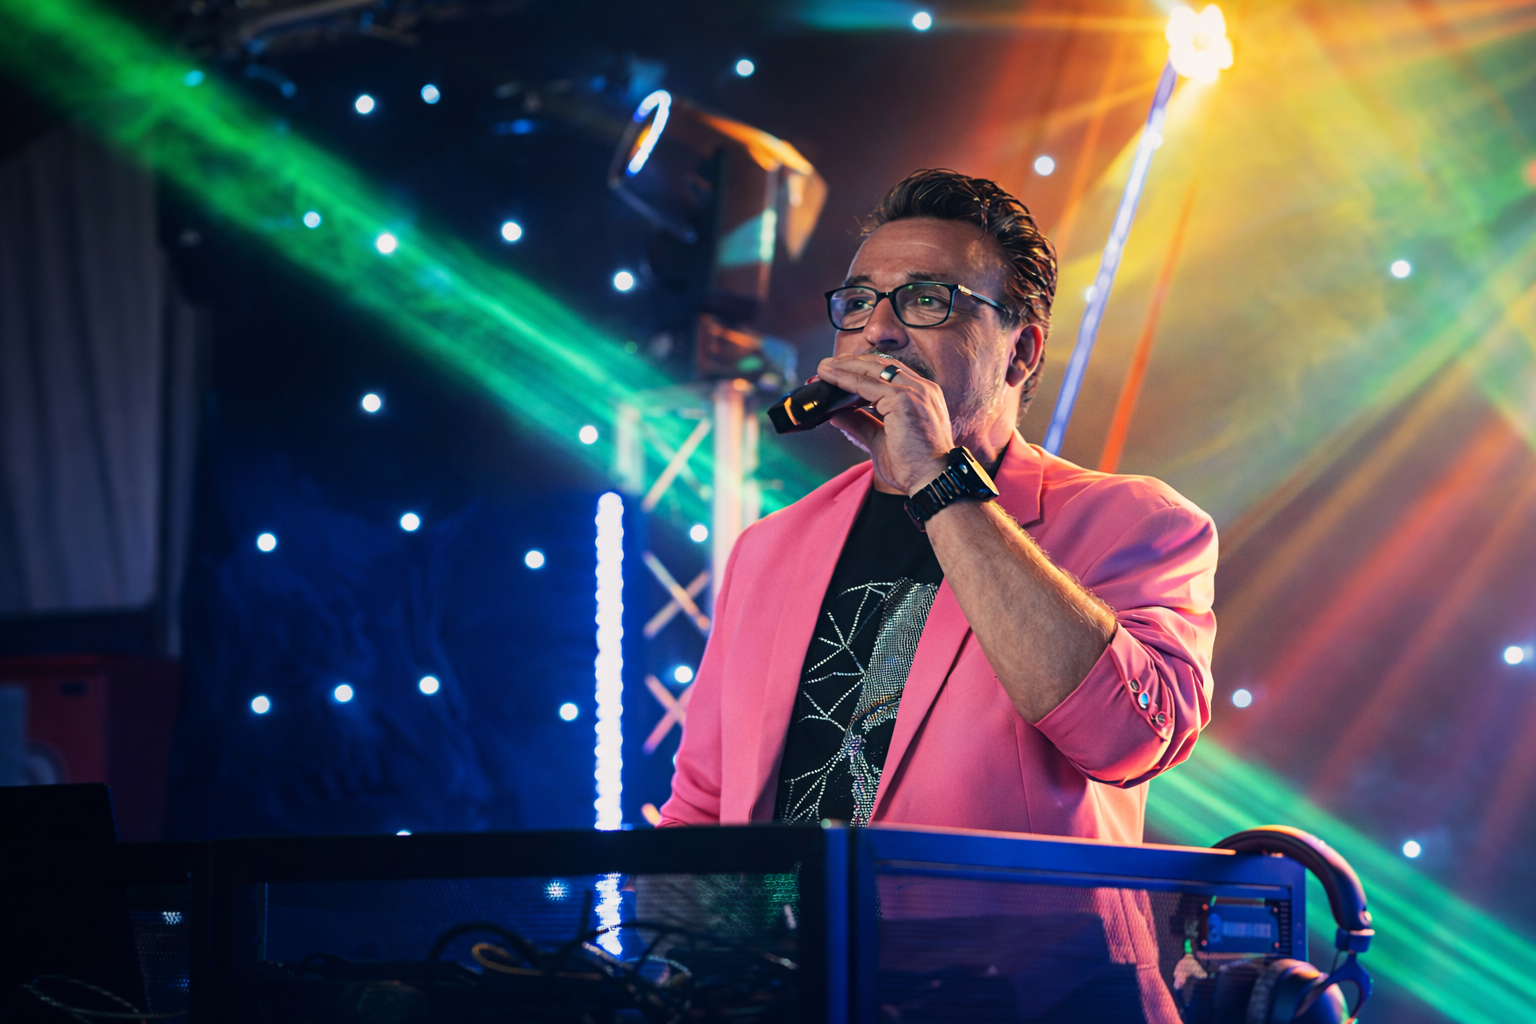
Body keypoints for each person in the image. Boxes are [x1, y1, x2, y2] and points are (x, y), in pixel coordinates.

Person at [658, 168, 1216, 844]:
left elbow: (1127, 740)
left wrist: (936, 475)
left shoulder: (1137, 521)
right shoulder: (772, 545)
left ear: (1020, 352)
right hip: (785, 920)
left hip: (990, 920)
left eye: (926, 299)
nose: (878, 330)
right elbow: (701, 808)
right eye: (859, 302)